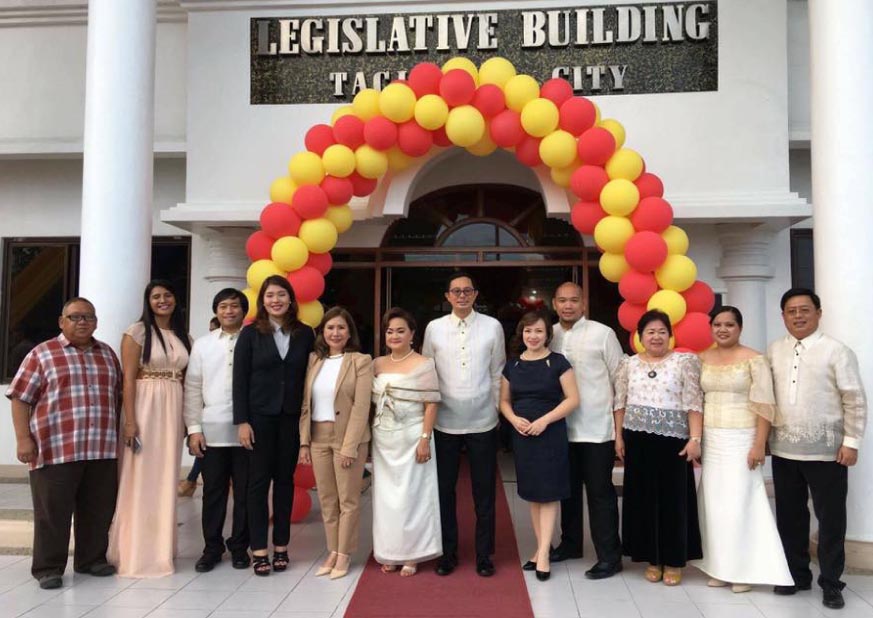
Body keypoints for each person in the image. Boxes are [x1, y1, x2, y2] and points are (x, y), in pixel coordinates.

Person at [5, 298, 122, 589]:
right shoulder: (42, 354)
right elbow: (20, 398)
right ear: (62, 321)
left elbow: (118, 397)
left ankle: (91, 560)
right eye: (75, 317)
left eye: (88, 317)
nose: (82, 322)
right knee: (52, 513)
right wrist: (23, 439)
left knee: (98, 509)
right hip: (55, 448)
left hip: (101, 448)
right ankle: (48, 567)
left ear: (96, 322)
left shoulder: (107, 354)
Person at [767, 288, 867, 610]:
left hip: (828, 452)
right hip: (784, 450)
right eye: (791, 311)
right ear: (782, 316)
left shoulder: (837, 351)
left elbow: (854, 399)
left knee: (831, 519)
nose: (798, 316)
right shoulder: (774, 351)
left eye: (804, 310)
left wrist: (851, 443)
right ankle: (797, 575)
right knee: (790, 517)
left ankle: (832, 583)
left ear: (818, 313)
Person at [691, 306, 792, 593]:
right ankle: (719, 566)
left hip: (743, 437)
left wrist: (759, 444)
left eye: (730, 325)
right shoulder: (702, 359)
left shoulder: (755, 359)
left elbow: (764, 406)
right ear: (711, 328)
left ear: (740, 328)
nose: (723, 329)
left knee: (741, 503)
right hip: (712, 437)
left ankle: (744, 570)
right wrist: (696, 439)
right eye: (718, 325)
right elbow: (697, 400)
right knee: (714, 504)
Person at [422, 272, 506, 578]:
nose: (461, 295)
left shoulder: (492, 326)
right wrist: (425, 420)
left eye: (467, 291)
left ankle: (484, 555)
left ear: (475, 294)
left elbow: (498, 371)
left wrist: (497, 411)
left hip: (483, 420)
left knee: (485, 492)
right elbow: (426, 373)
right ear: (447, 296)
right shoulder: (434, 328)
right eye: (455, 291)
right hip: (444, 422)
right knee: (444, 492)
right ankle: (448, 553)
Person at [613, 309, 703, 586]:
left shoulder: (684, 362)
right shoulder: (628, 364)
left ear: (670, 335)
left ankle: (675, 560)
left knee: (674, 501)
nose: (656, 336)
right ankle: (652, 557)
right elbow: (620, 403)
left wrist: (695, 439)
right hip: (637, 440)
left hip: (674, 442)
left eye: (661, 331)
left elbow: (694, 402)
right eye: (650, 332)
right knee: (643, 499)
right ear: (640, 336)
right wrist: (619, 437)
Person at [109, 279, 191, 577]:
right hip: (144, 405)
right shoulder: (137, 332)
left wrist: (186, 420)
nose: (162, 301)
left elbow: (186, 379)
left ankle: (161, 550)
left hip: (172, 408)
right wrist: (130, 421)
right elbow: (127, 379)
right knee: (140, 477)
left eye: (168, 295)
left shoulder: (184, 335)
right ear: (148, 301)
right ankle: (135, 553)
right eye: (156, 296)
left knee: (165, 478)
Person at [233, 275, 314, 576]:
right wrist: (242, 421)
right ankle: (259, 549)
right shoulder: (251, 333)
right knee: (257, 484)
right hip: (258, 419)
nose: (276, 300)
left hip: (291, 418)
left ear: (291, 299)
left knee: (284, 482)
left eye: (281, 294)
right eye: (270, 295)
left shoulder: (305, 333)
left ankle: (281, 546)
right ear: (262, 300)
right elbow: (239, 380)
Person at [549, 282, 624, 579]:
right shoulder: (548, 334)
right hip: (560, 429)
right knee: (565, 492)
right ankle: (570, 544)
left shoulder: (602, 334)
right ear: (554, 303)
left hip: (596, 428)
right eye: (563, 300)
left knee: (600, 493)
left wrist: (620, 431)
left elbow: (621, 381)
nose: (568, 305)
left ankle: (609, 556)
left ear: (583, 303)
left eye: (574, 300)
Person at [500, 311, 578, 582]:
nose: (532, 336)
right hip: (523, 435)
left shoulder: (558, 362)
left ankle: (543, 553)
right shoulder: (512, 366)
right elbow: (504, 401)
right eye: (528, 331)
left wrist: (544, 421)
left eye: (538, 332)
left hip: (550, 433)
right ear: (521, 333)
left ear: (548, 335)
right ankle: (541, 547)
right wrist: (513, 420)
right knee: (533, 494)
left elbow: (572, 399)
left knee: (549, 493)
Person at [299, 307, 373, 580]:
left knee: (348, 500)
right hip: (318, 437)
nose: (335, 332)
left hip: (347, 438)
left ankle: (345, 553)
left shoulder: (360, 361)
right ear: (322, 332)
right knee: (327, 500)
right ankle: (332, 549)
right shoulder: (313, 361)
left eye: (341, 327)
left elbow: (361, 406)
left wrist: (350, 446)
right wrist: (304, 442)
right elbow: (306, 404)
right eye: (330, 328)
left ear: (349, 332)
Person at [183, 288, 251, 573]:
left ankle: (240, 547)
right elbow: (193, 387)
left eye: (235, 306)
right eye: (223, 306)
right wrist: (194, 429)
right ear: (216, 311)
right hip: (211, 431)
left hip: (248, 432)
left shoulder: (256, 339)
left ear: (244, 310)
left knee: (246, 493)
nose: (229, 311)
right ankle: (212, 548)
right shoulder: (203, 344)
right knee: (213, 492)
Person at [371, 308, 442, 576]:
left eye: (401, 330)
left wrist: (424, 438)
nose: (394, 335)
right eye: (390, 331)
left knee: (412, 497)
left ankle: (413, 554)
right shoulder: (376, 364)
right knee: (386, 498)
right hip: (383, 439)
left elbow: (431, 405)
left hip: (413, 437)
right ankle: (389, 552)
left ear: (413, 334)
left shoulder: (424, 364)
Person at [177, 319, 220, 498]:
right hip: (202, 407)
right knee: (203, 446)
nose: (211, 334)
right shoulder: (203, 348)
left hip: (221, 410)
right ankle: (191, 480)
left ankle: (191, 480)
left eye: (214, 330)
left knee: (206, 448)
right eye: (209, 330)